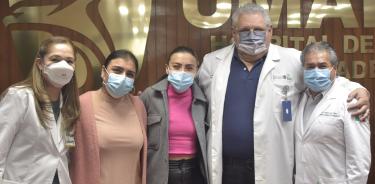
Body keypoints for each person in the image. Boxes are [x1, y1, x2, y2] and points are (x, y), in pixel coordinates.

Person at [196, 3, 370, 184]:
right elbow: (192, 96)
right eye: (245, 30)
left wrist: (359, 90)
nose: (252, 35)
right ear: (233, 33)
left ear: (270, 31)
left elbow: (326, 78)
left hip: (273, 165)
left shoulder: (292, 59)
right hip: (227, 168)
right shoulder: (212, 62)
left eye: (258, 29)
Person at [0, 36, 80, 184]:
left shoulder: (70, 105)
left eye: (69, 61)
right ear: (40, 64)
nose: (63, 65)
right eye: (55, 59)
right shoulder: (19, 96)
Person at [295, 42, 371, 184]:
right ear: (303, 69)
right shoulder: (299, 98)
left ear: (334, 69)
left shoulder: (353, 102)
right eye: (310, 67)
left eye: (322, 66)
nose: (316, 71)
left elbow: (359, 158)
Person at [69, 50, 147, 184]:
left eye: (130, 74)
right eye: (117, 70)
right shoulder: (82, 105)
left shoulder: (138, 106)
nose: (123, 77)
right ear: (103, 72)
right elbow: (69, 153)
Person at [140, 46, 208, 184]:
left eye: (189, 68)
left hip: (194, 170)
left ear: (196, 70)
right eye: (176, 66)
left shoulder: (202, 100)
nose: (182, 72)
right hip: (160, 171)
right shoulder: (150, 95)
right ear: (167, 68)